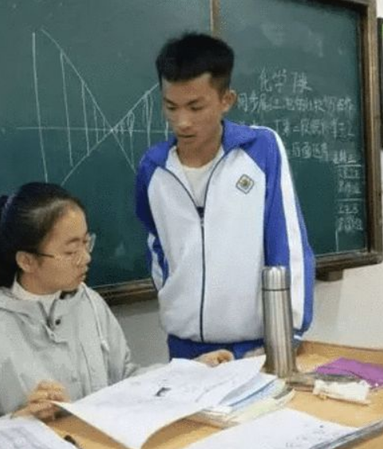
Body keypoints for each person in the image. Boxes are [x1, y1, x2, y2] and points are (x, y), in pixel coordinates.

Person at [0, 182, 232, 429]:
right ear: (27, 261)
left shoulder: (89, 303)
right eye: (71, 251)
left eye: (86, 242)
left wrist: (189, 373)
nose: (86, 258)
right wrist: (20, 418)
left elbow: (124, 380)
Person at [135, 32, 315, 361]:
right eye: (171, 107)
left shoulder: (261, 150)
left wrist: (287, 333)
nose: (182, 122)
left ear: (226, 100)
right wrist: (174, 300)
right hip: (184, 347)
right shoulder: (154, 168)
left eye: (195, 107)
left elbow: (287, 242)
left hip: (255, 346)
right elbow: (156, 245)